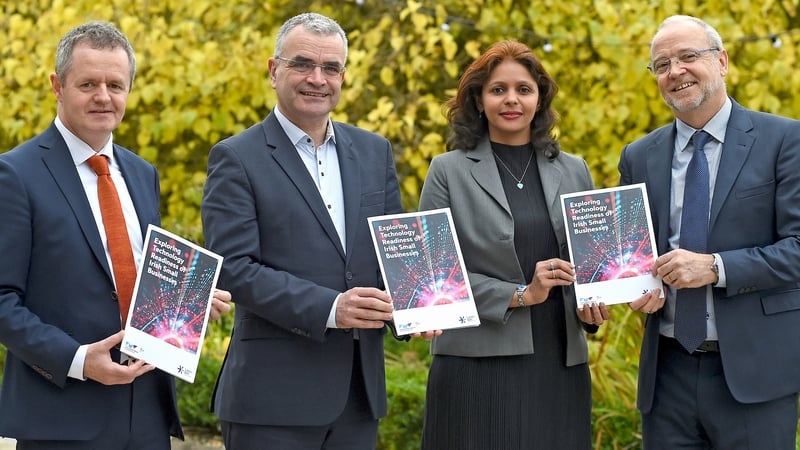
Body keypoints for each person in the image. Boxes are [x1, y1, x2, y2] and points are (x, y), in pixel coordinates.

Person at [201, 12, 435, 450]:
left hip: (358, 397)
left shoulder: (373, 151)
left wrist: (419, 306)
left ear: (343, 75)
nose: (317, 78)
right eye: (302, 64)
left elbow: (393, 255)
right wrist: (332, 308)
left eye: (331, 68)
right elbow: (233, 269)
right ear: (274, 71)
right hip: (271, 402)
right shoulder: (235, 157)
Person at [0, 21, 232, 449]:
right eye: (88, 83)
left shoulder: (143, 174)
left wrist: (192, 300)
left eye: (115, 84)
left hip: (146, 410)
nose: (103, 96)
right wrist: (78, 361)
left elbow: (139, 276)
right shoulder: (14, 174)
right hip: (61, 415)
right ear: (57, 85)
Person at [619, 15, 800, 449]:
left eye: (687, 56)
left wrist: (715, 268)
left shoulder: (785, 140)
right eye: (661, 65)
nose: (674, 71)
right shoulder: (638, 156)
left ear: (722, 61)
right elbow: (634, 256)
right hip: (666, 378)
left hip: (756, 377)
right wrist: (635, 286)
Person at [417, 40, 608, 450]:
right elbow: (432, 279)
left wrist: (594, 304)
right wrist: (520, 294)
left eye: (524, 89)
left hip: (559, 363)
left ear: (540, 99)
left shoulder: (575, 170)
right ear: (478, 99)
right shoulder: (446, 171)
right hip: (473, 365)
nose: (511, 100)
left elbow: (587, 264)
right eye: (497, 89)